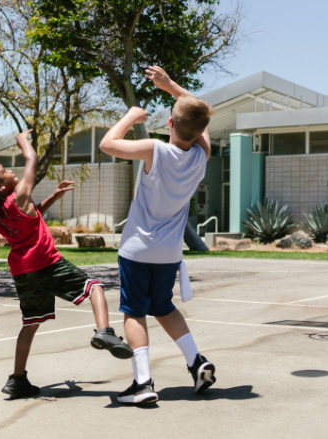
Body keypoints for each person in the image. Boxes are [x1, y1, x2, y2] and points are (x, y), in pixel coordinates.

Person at [0, 130, 132, 399]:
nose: (10, 171)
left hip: (22, 270)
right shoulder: (19, 195)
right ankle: (106, 333)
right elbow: (31, 159)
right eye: (4, 169)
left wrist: (53, 198)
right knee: (94, 288)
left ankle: (17, 379)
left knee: (30, 323)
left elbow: (29, 216)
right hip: (45, 262)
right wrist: (23, 143)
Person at [99, 65, 216, 406]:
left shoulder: (154, 149)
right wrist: (172, 87)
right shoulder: (201, 157)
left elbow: (108, 144)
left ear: (169, 124)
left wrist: (131, 116)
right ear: (202, 132)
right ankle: (196, 362)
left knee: (135, 313)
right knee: (163, 307)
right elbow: (198, 110)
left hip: (137, 250)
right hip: (169, 254)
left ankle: (143, 382)